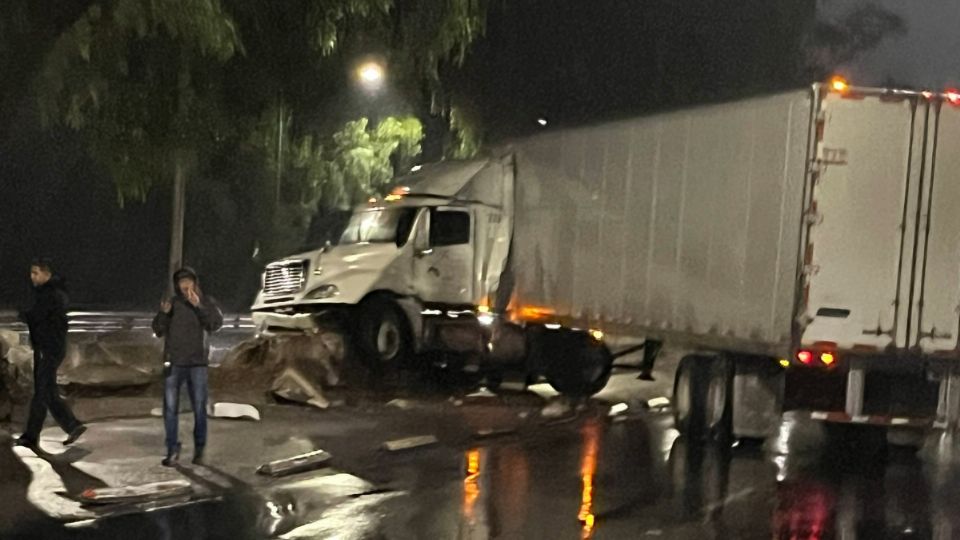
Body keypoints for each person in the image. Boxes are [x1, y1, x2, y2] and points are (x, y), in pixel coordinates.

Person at [152, 267, 223, 466]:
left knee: (199, 408)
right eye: (181, 282)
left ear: (194, 282)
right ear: (177, 285)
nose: (185, 285)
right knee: (170, 408)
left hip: (197, 363)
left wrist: (199, 306)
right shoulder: (173, 304)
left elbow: (215, 324)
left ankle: (199, 449)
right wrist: (163, 314)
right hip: (174, 363)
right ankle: (172, 449)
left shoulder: (206, 302)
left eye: (188, 281)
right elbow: (158, 330)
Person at [15, 257, 86, 449]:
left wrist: (24, 315)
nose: (32, 277)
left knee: (45, 391)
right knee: (42, 391)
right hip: (47, 347)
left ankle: (72, 425)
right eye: (31, 273)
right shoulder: (51, 293)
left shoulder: (51, 294)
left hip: (49, 348)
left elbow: (39, 316)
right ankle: (31, 436)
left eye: (36, 273)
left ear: (47, 274)